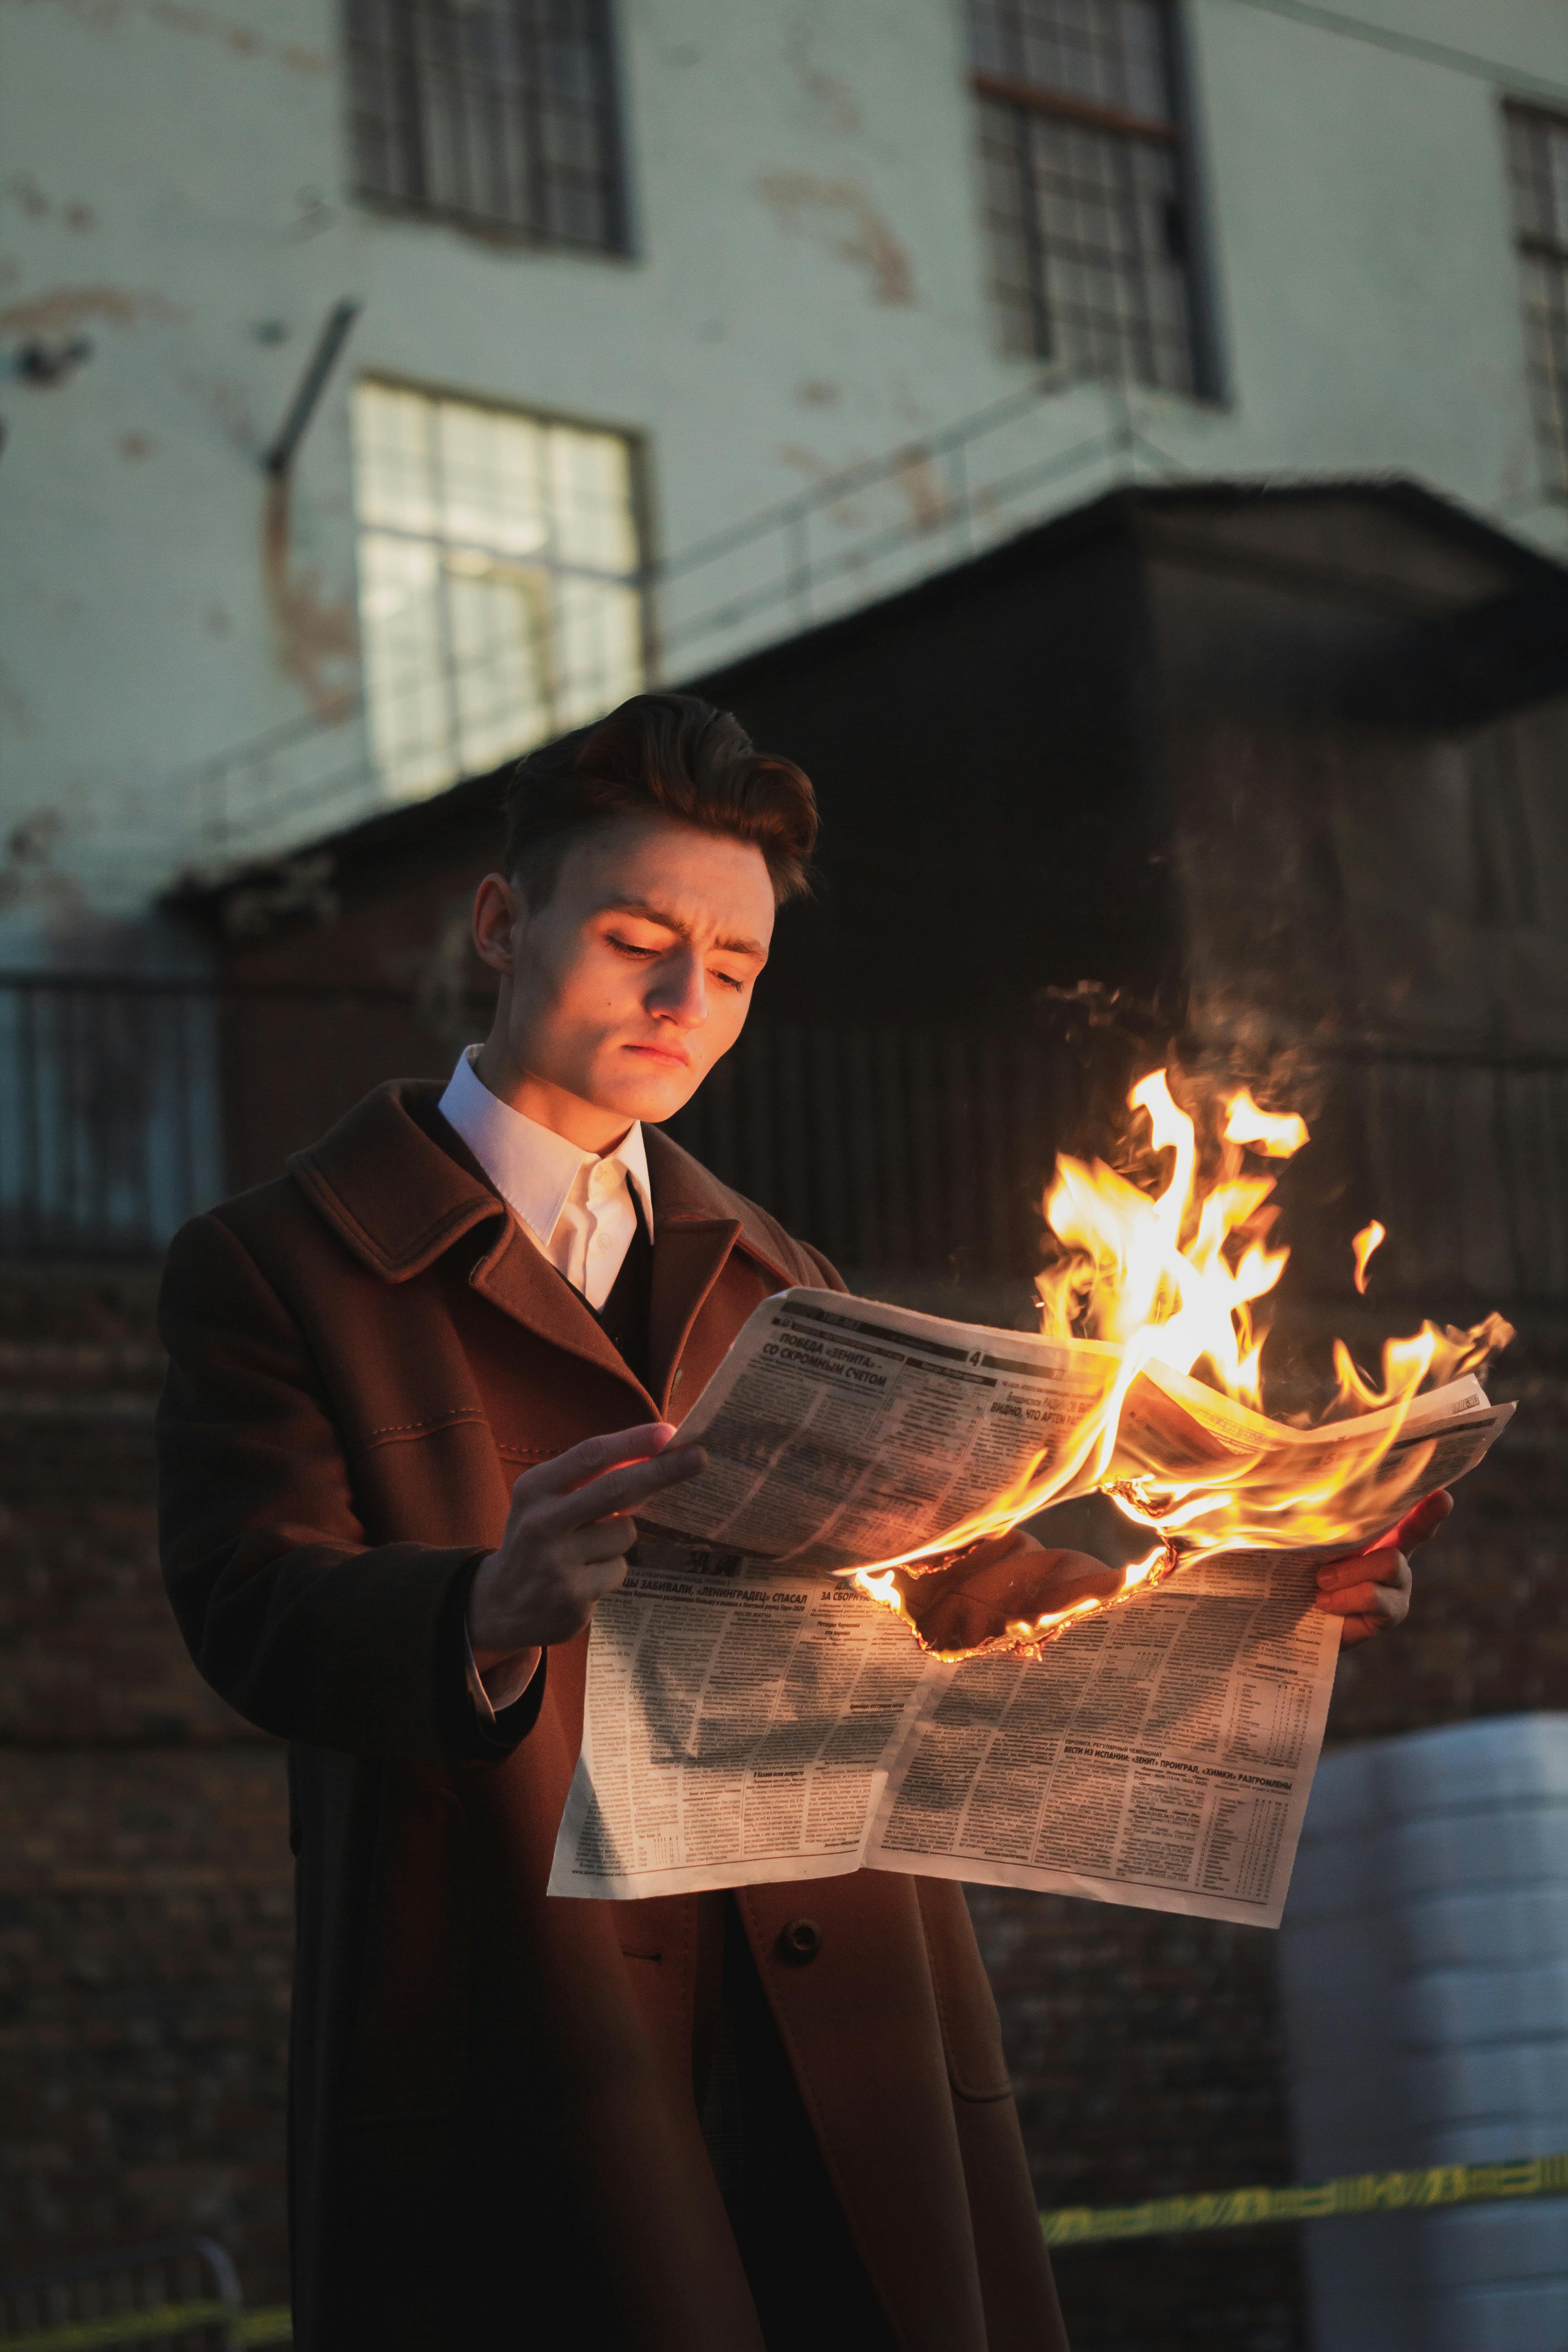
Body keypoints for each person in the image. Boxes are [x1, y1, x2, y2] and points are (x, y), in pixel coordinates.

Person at [156, 693, 1436, 2351]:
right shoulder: (278, 1262)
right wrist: (484, 1601)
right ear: (500, 922)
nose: (689, 1001)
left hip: (844, 1985)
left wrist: (1251, 1596)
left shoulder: (785, 1274)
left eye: (740, 970)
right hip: (528, 2003)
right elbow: (248, 1603)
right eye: (637, 939)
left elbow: (960, 1588)